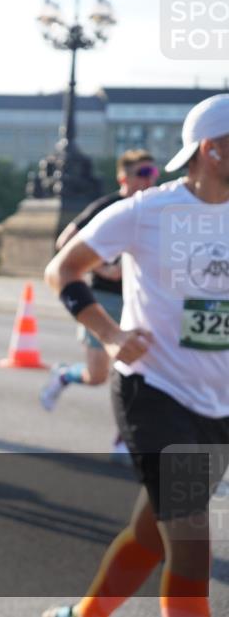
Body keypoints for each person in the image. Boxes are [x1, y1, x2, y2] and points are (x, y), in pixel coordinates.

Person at [41, 94, 229, 617]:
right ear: (212, 150)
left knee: (150, 533)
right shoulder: (148, 211)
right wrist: (109, 335)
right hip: (154, 392)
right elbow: (64, 270)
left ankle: (83, 616)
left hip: (218, 405)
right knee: (191, 545)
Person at [40, 150, 159, 416]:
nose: (150, 180)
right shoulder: (109, 207)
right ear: (123, 177)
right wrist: (104, 269)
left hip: (140, 302)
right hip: (104, 299)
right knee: (97, 375)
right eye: (143, 173)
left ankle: (123, 439)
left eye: (153, 173)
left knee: (139, 373)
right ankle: (64, 376)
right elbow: (64, 241)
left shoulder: (154, 210)